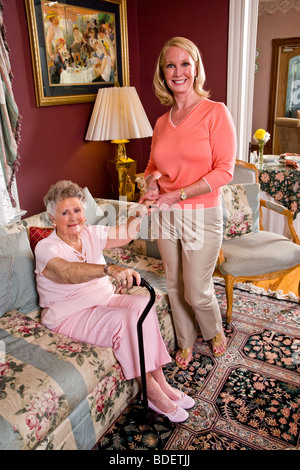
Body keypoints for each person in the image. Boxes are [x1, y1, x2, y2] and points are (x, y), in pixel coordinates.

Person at [34, 180, 194, 422]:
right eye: (64, 212)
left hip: (103, 299)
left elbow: (124, 235)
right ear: (52, 218)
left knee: (142, 306)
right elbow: (66, 272)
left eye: (77, 210)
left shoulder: (89, 233)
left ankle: (161, 381)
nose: (73, 217)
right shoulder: (46, 248)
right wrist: (107, 269)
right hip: (69, 314)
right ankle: (152, 394)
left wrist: (138, 214)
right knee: (126, 320)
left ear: (84, 213)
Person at [140, 37, 237, 368]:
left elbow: (225, 171)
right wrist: (151, 185)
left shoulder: (215, 112)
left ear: (196, 68)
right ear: (163, 72)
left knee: (196, 289)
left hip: (202, 213)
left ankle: (212, 330)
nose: (178, 71)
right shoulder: (162, 123)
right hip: (166, 214)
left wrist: (177, 193)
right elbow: (154, 167)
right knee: (174, 283)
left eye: (185, 63)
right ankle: (184, 340)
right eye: (170, 65)